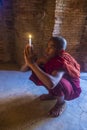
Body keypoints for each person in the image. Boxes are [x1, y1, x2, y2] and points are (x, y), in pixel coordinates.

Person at [24, 36, 81, 117]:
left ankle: (60, 103)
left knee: (55, 81)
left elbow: (52, 83)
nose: (47, 50)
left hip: (71, 89)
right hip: (59, 83)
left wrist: (32, 64)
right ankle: (53, 95)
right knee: (40, 71)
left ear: (60, 51)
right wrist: (28, 61)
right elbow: (23, 70)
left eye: (51, 47)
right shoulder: (49, 57)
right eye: (47, 46)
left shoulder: (62, 61)